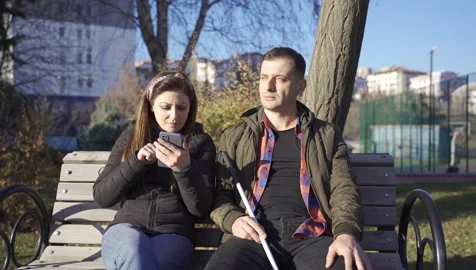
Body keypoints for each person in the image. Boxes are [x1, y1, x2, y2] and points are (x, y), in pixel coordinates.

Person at [207, 47, 372, 270]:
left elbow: (344, 190)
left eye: (280, 79)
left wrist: (345, 234)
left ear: (300, 86)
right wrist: (232, 220)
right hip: (254, 236)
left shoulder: (326, 135)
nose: (268, 86)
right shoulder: (235, 136)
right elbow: (220, 194)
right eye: (264, 77)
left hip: (311, 235)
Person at [93, 71, 216, 270]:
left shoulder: (201, 143)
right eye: (166, 107)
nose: (174, 116)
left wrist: (184, 169)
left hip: (174, 234)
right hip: (126, 228)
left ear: (191, 108)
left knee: (146, 262)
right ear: (150, 106)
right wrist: (137, 162)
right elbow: (102, 196)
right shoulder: (132, 137)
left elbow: (200, 208)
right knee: (133, 248)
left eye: (182, 108)